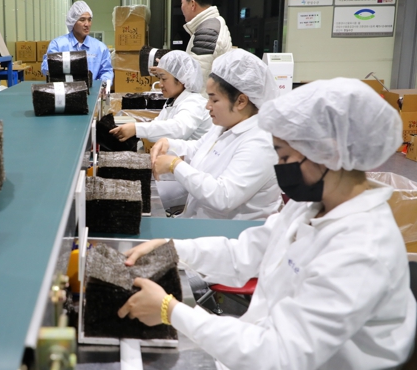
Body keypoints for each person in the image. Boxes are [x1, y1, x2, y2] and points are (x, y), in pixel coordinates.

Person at [117, 78, 416, 370]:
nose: (279, 168)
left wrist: (171, 311)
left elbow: (280, 354)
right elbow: (245, 253)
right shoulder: (312, 206)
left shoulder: (362, 249)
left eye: (284, 156)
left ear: (328, 154)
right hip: (259, 341)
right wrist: (173, 249)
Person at [150, 49, 282, 220]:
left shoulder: (260, 143)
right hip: (198, 223)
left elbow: (224, 197)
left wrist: (175, 165)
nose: (208, 106)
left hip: (230, 232)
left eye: (214, 99)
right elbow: (198, 148)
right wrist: (169, 144)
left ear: (241, 101)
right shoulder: (224, 126)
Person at [109, 50, 213, 211]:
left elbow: (178, 128)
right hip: (172, 170)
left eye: (164, 78)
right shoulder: (173, 101)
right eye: (159, 78)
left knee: (139, 197)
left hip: (188, 178)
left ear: (182, 80)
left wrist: (136, 129)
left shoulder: (193, 103)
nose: (160, 84)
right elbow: (158, 125)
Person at [41, 0, 113, 84]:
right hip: (65, 90)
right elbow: (46, 68)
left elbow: (107, 72)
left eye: (89, 20)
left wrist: (104, 85)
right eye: (82, 20)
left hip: (92, 90)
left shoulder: (100, 48)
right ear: (73, 22)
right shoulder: (58, 45)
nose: (87, 24)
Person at [180, 0, 232, 83]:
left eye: (182, 3)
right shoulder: (213, 23)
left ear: (192, 4)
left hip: (206, 93)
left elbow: (198, 80)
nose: (181, 7)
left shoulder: (207, 31)